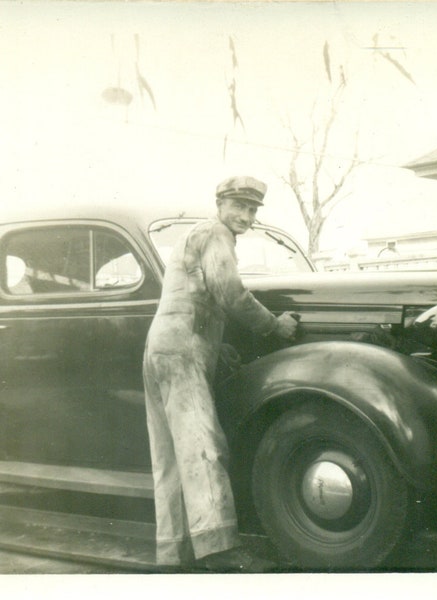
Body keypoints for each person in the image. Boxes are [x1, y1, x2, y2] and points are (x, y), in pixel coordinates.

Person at [143, 175, 298, 572]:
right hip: (182, 352)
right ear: (220, 204)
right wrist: (273, 326)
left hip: (161, 347)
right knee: (203, 445)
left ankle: (172, 550)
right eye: (238, 206)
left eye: (251, 209)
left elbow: (197, 295)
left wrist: (216, 344)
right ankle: (219, 551)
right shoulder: (216, 232)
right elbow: (229, 291)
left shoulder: (197, 233)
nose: (245, 216)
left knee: (169, 455)